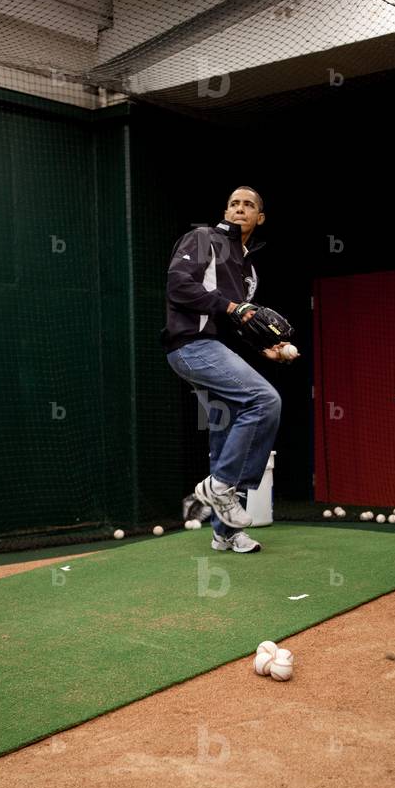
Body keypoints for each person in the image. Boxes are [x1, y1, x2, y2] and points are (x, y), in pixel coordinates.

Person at [162, 187, 288, 553]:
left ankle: (226, 533)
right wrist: (233, 308)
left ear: (260, 218)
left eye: (249, 205)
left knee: (227, 431)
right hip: (190, 346)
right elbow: (178, 286)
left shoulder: (249, 270)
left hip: (216, 351)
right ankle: (218, 487)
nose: (239, 209)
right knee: (264, 401)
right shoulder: (203, 238)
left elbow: (238, 322)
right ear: (226, 211)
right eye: (234, 204)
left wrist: (266, 348)